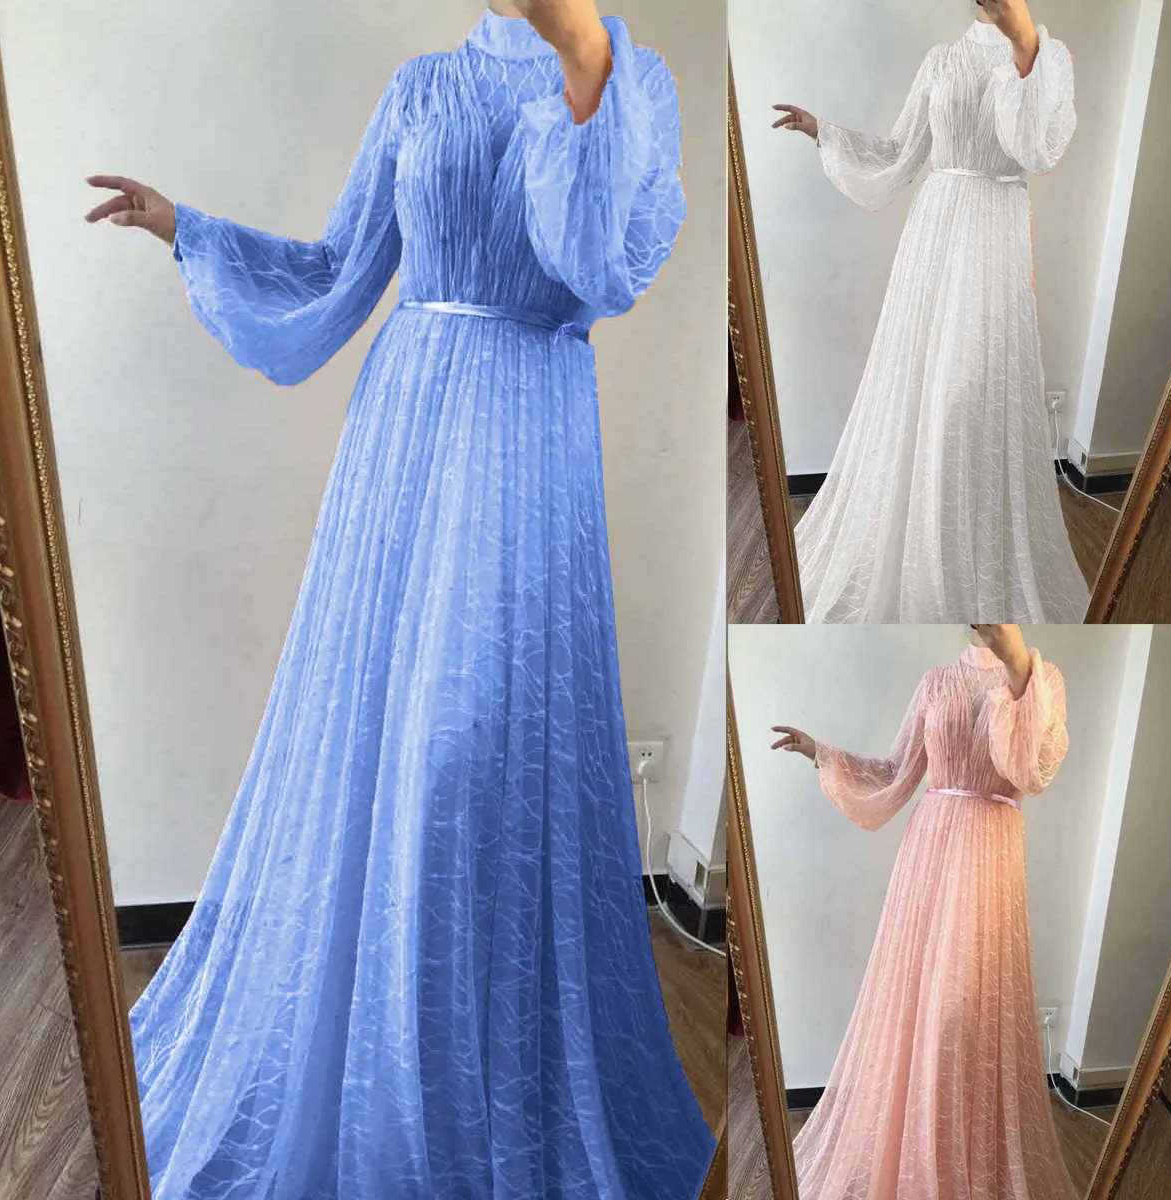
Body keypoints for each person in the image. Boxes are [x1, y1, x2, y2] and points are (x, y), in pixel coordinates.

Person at [84, 3, 714, 1196]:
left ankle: (469, 1065)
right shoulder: (420, 88)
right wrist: (189, 230)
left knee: (468, 746)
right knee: (375, 741)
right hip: (406, 438)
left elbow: (602, 267)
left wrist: (586, 67)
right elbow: (340, 266)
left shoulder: (635, 86)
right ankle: (370, 1053)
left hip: (528, 442)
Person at [772, 0, 1090, 623]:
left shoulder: (1049, 61)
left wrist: (1024, 47)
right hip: (936, 238)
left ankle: (967, 550)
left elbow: (1036, 150)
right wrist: (824, 132)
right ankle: (919, 544)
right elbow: (901, 149)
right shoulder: (941, 61)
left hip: (994, 239)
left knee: (968, 390)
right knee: (920, 387)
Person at [771, 623, 1078, 1199]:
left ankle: (964, 1155)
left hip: (989, 860)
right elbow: (896, 771)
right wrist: (821, 753)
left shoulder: (1044, 682)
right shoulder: (935, 682)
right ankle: (911, 1151)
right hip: (929, 859)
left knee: (964, 1008)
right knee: (917, 1003)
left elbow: (1033, 770)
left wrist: (1018, 668)